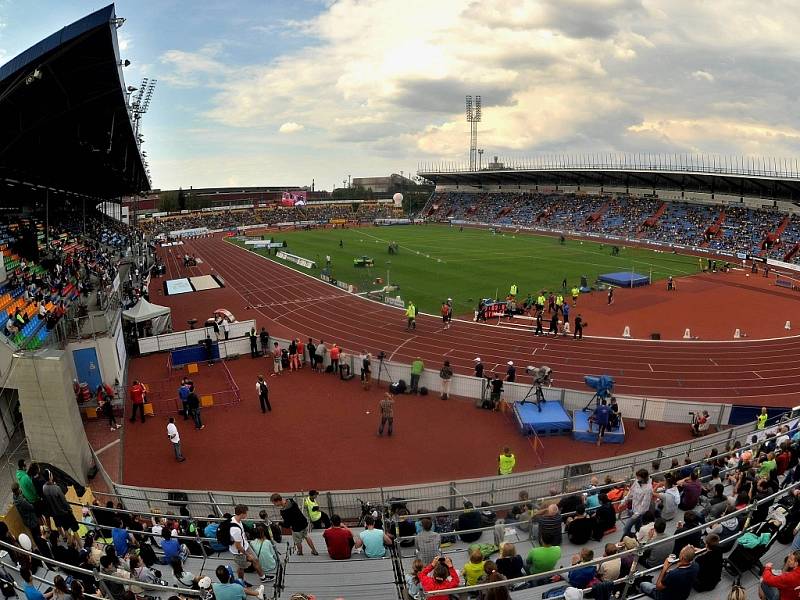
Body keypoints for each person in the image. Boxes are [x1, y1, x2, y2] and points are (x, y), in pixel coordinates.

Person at [229, 504, 268, 581]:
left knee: (255, 560)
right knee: (241, 568)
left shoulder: (235, 519)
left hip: (245, 546)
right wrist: (247, 555)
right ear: (242, 514)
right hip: (239, 552)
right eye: (246, 513)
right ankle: (241, 582)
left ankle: (263, 577)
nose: (247, 514)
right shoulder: (235, 529)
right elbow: (238, 546)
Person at [622, 469, 653, 538]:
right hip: (634, 508)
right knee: (638, 526)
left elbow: (645, 504)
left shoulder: (648, 488)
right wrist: (625, 500)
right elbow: (631, 490)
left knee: (626, 528)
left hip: (640, 513)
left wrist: (637, 514)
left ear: (642, 478)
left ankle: (627, 538)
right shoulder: (637, 481)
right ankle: (638, 537)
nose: (636, 478)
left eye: (638, 477)